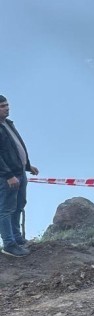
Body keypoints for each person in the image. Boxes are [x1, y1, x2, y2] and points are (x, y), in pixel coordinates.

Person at [0, 95, 39, 258]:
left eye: (7, 105)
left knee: (19, 205)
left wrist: (27, 165)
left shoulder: (7, 124)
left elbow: (16, 148)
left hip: (20, 172)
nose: (7, 108)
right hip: (8, 176)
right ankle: (9, 244)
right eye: (2, 106)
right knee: (6, 209)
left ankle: (17, 239)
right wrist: (8, 175)